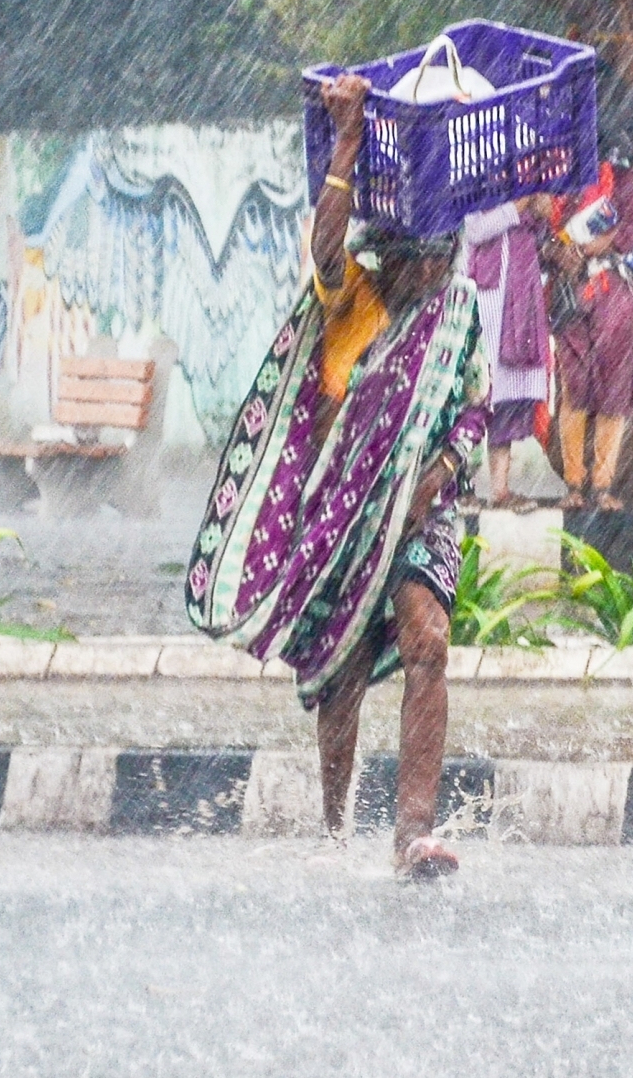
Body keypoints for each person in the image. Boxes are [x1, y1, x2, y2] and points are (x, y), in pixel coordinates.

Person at [185, 75, 488, 879]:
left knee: (429, 640)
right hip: (340, 513)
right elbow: (324, 247)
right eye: (422, 260)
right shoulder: (350, 291)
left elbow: (473, 405)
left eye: (443, 258)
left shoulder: (460, 312)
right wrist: (348, 140)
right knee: (344, 669)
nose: (435, 274)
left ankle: (413, 835)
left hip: (423, 510)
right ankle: (335, 828)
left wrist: (446, 467)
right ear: (391, 257)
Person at [547, 157, 633, 510]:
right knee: (573, 389)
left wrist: (586, 248)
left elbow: (629, 233)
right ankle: (574, 485)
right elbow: (542, 232)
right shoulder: (557, 180)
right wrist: (560, 252)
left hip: (615, 291)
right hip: (570, 291)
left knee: (614, 388)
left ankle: (602, 486)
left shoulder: (628, 181)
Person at [463, 193, 552, 509]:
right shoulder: (471, 176)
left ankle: (500, 490)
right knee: (475, 390)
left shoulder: (525, 179)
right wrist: (515, 208)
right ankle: (461, 487)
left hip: (521, 295)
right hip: (484, 296)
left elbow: (540, 237)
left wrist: (541, 211)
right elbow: (473, 230)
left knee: (509, 394)